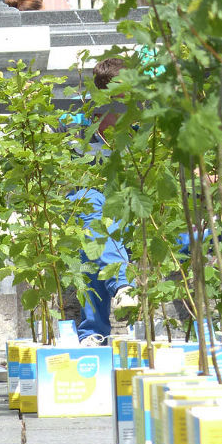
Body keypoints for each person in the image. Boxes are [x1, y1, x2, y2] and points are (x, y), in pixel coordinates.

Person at [69, 57, 137, 346]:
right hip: (82, 201)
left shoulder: (139, 127)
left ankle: (92, 334)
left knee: (93, 242)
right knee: (90, 206)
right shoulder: (73, 120)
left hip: (126, 204)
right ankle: (122, 284)